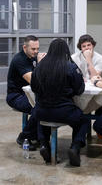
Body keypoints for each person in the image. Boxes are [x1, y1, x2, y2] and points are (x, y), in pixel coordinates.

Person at [31, 39, 90, 167]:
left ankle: (44, 145)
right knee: (84, 119)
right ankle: (75, 148)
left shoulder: (39, 66)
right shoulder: (70, 67)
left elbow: (34, 88)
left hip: (42, 111)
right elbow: (80, 89)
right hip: (64, 112)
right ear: (65, 51)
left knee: (41, 118)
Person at [6, 35, 46, 150]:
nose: (36, 51)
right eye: (33, 49)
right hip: (16, 96)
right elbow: (33, 80)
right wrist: (40, 64)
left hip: (31, 94)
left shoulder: (33, 57)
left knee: (46, 105)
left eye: (37, 49)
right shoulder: (19, 60)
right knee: (39, 108)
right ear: (25, 47)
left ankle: (39, 137)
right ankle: (24, 137)